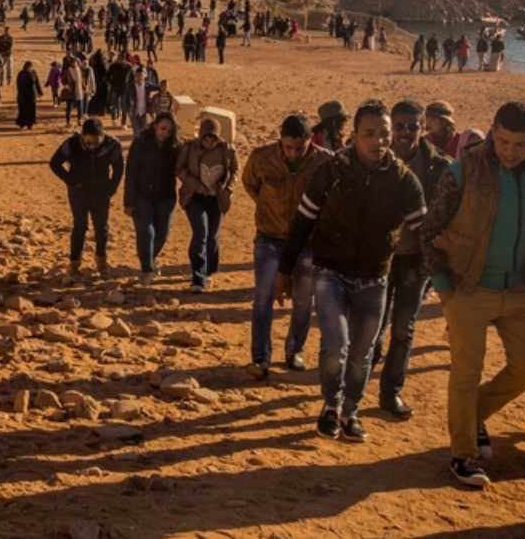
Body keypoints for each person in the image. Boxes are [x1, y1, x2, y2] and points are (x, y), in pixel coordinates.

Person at [417, 101, 525, 488]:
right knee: (465, 374)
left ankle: (472, 416)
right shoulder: (464, 169)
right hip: (469, 287)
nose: (510, 151)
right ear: (492, 131)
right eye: (503, 141)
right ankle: (462, 455)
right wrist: (445, 291)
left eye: (521, 144)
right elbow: (430, 230)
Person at [278, 100, 427, 443]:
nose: (379, 141)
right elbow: (303, 221)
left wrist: (441, 281)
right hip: (330, 273)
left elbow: (426, 235)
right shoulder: (332, 171)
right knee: (336, 345)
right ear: (355, 136)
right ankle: (330, 405)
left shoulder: (404, 181)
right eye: (369, 134)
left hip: (375, 277)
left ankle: (351, 412)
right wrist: (285, 270)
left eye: (384, 134)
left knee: (362, 355)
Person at [374, 100, 451, 419]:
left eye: (413, 126)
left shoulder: (440, 166)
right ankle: (357, 384)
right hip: (377, 256)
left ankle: (391, 392)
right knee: (372, 328)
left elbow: (448, 214)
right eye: (400, 125)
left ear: (424, 129)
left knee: (404, 328)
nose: (406, 132)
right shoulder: (374, 159)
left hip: (416, 260)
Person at [243, 113, 330, 380]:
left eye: (299, 148)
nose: (292, 153)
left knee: (304, 301)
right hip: (269, 237)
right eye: (287, 147)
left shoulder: (325, 162)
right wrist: (270, 207)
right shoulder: (261, 157)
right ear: (280, 140)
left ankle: (295, 351)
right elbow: (250, 184)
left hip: (306, 242)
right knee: (263, 298)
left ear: (309, 141)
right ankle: (261, 357)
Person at [49, 118, 125, 280]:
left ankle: (102, 263)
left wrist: (111, 188)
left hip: (101, 193)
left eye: (96, 143)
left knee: (101, 228)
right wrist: (71, 180)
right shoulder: (71, 144)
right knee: (80, 227)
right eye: (88, 142)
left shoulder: (112, 145)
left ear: (102, 136)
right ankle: (74, 264)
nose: (92, 147)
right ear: (83, 136)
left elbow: (118, 167)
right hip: (78, 193)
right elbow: (54, 163)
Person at [177, 118, 239, 292]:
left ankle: (210, 270)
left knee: (212, 235)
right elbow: (179, 169)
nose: (209, 142)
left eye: (213, 138)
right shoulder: (190, 148)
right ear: (201, 136)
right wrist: (194, 184)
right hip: (194, 197)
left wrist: (228, 188)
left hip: (216, 199)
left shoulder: (227, 150)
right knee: (200, 233)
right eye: (206, 138)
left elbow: (235, 170)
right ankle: (198, 277)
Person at [123, 112, 181, 286]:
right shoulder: (140, 143)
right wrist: (128, 201)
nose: (165, 133)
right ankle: (147, 270)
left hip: (166, 197)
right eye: (163, 128)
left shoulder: (175, 147)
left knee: (162, 234)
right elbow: (131, 173)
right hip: (142, 196)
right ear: (155, 125)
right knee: (146, 232)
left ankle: (150, 258)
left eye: (169, 131)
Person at [15, 61, 42, 130]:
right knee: (23, 110)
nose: (30, 68)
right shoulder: (21, 74)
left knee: (31, 110)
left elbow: (37, 82)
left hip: (32, 95)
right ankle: (22, 124)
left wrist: (39, 92)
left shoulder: (33, 72)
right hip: (23, 95)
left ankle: (30, 124)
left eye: (31, 67)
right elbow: (18, 85)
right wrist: (20, 95)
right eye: (29, 67)